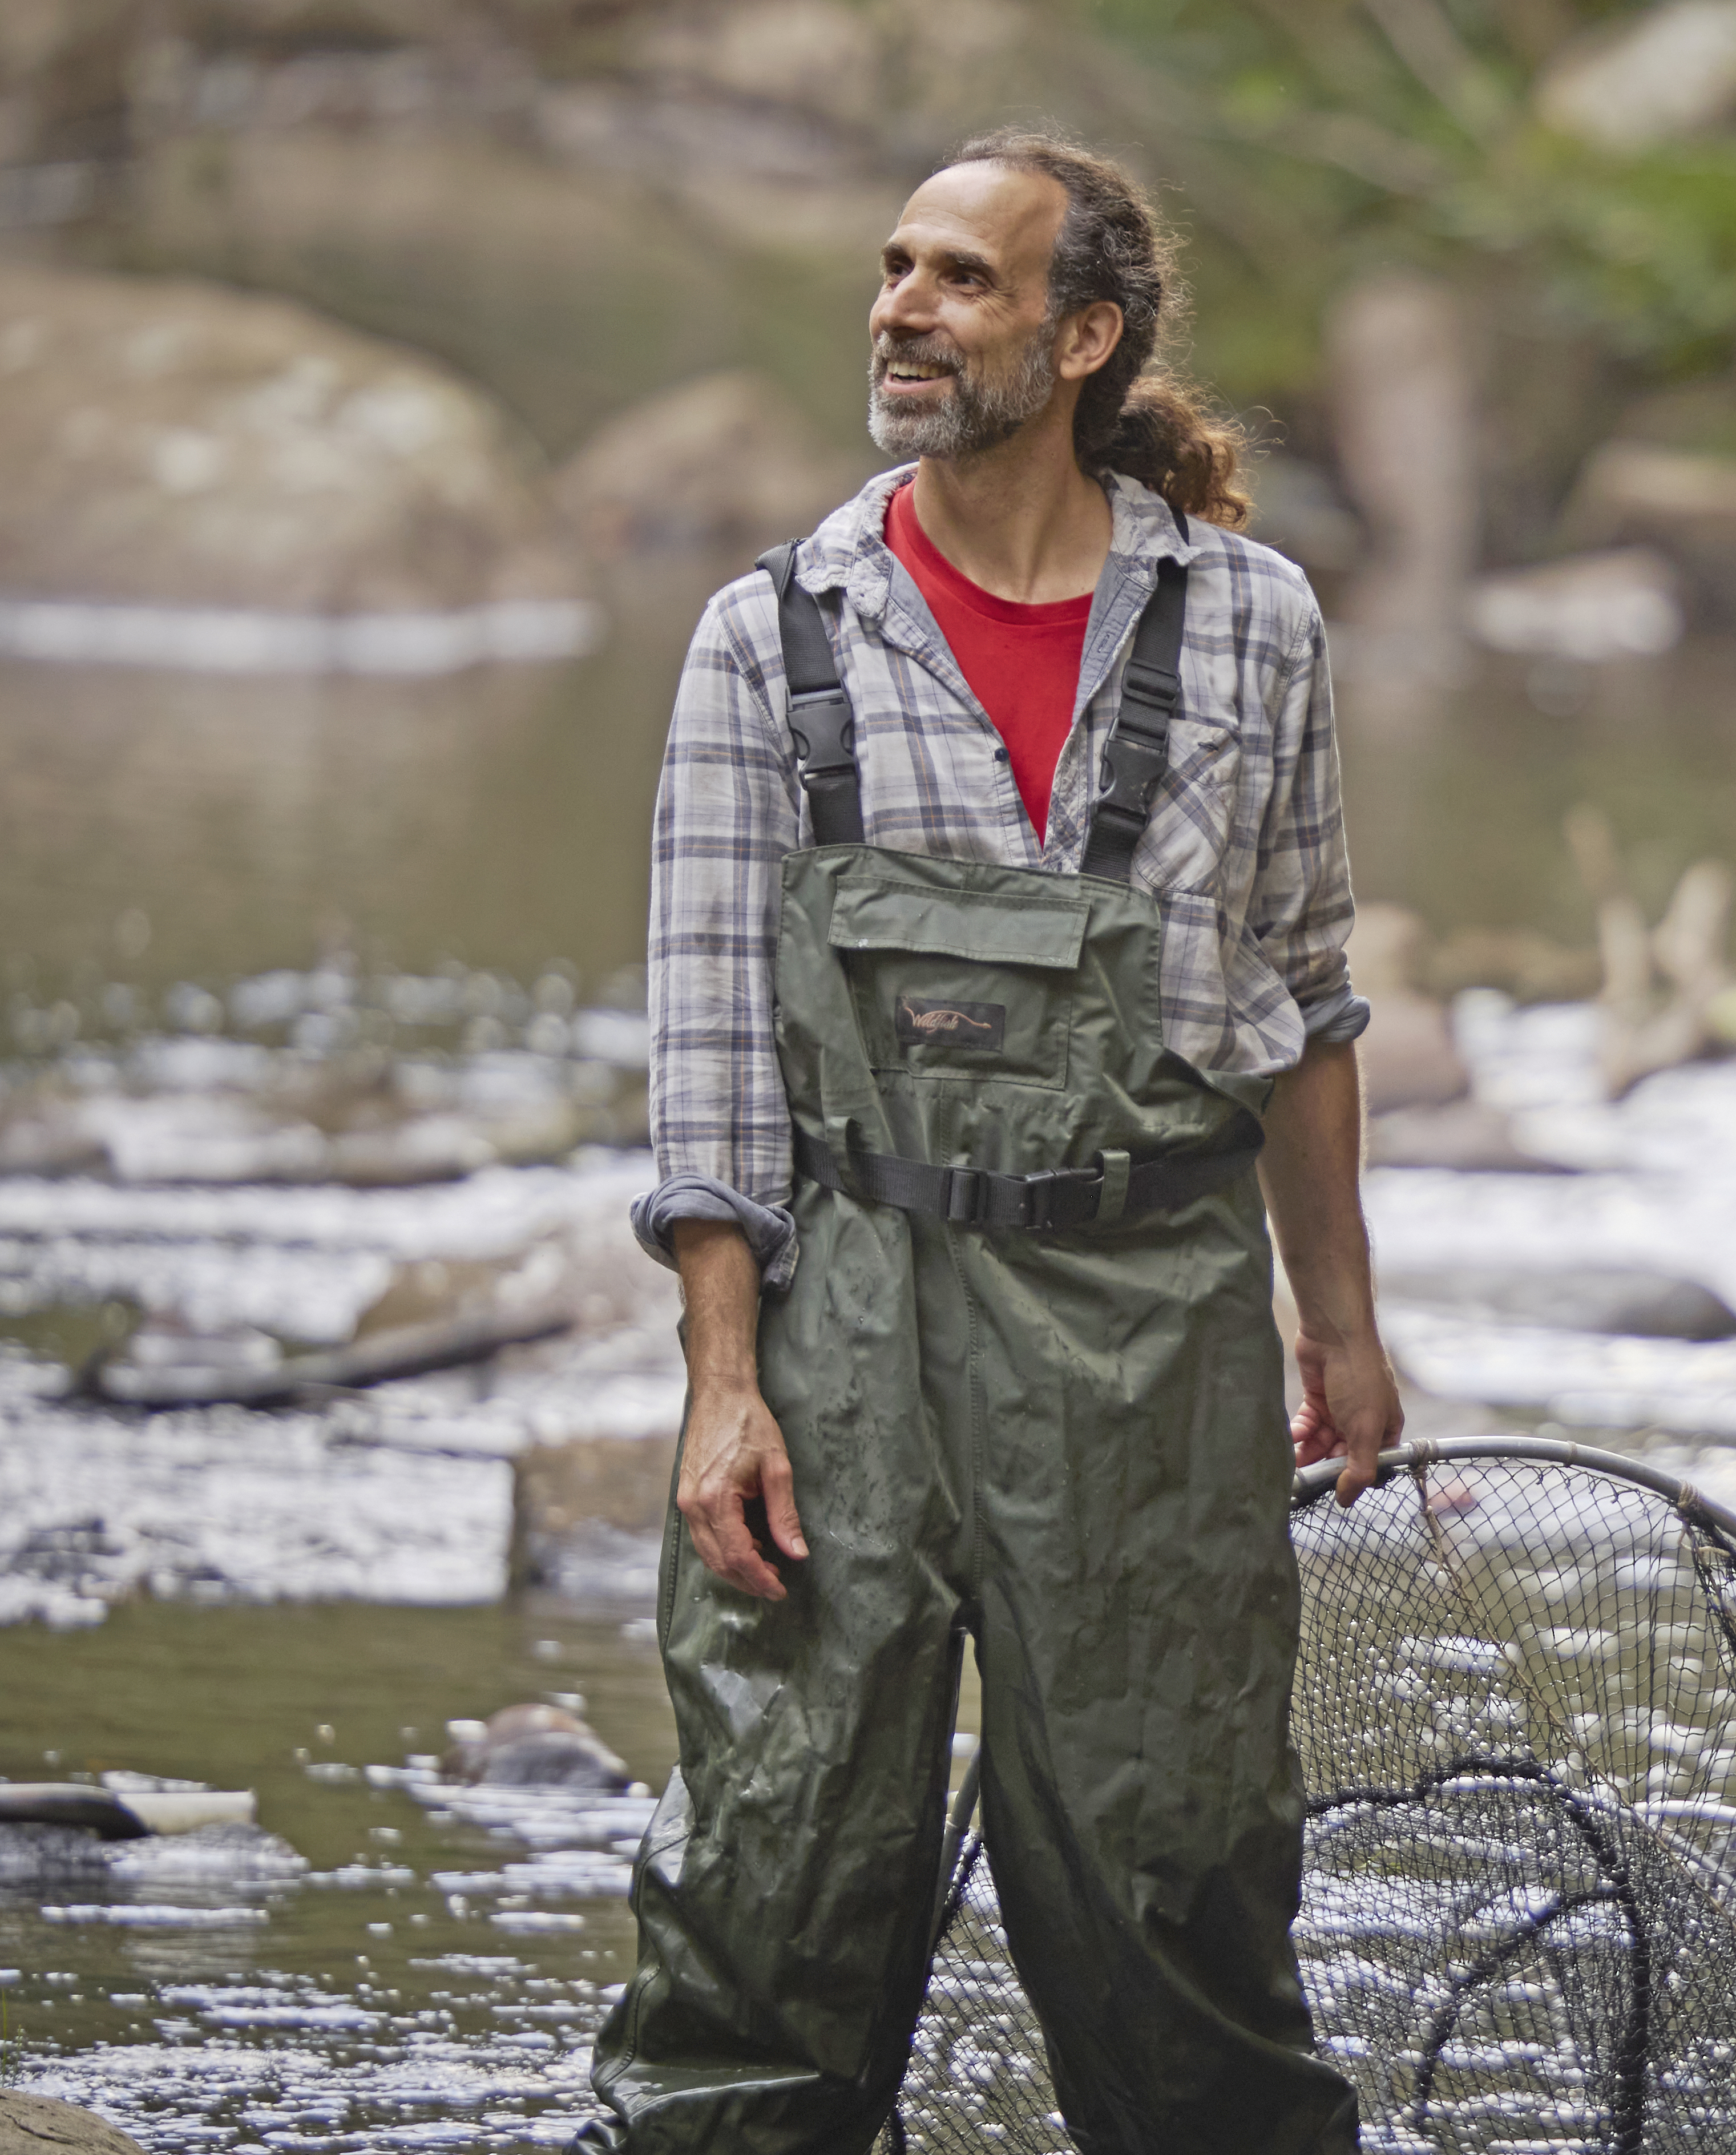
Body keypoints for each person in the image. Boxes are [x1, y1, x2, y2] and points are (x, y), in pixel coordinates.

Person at [582, 128, 1398, 2155]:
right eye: (894, 270)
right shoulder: (770, 634)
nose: (902, 311)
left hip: (1157, 1322)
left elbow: (1301, 999)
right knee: (773, 1880)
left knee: (1178, 1877)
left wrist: (1344, 1322)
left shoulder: (1256, 623)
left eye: (960, 277)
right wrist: (722, 1388)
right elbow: (708, 1062)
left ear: (1085, 334)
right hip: (850, 1310)